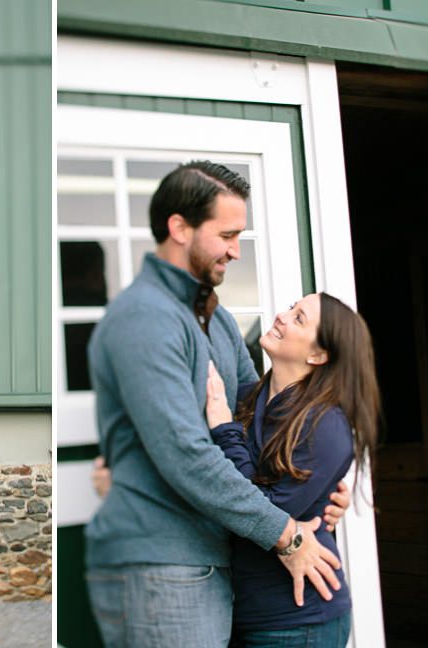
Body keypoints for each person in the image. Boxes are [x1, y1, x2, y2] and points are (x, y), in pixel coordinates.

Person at [85, 161, 348, 647]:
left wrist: (319, 483)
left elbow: (255, 420)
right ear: (179, 228)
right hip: (164, 566)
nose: (236, 251)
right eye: (227, 235)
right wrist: (286, 534)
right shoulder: (146, 318)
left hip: (213, 559)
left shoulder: (217, 319)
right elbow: (187, 454)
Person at [206, 293, 379, 647]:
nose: (282, 317)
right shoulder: (255, 398)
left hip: (298, 623)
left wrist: (224, 428)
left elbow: (260, 511)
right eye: (290, 308)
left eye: (298, 318)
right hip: (248, 614)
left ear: (317, 355)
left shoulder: (326, 426)